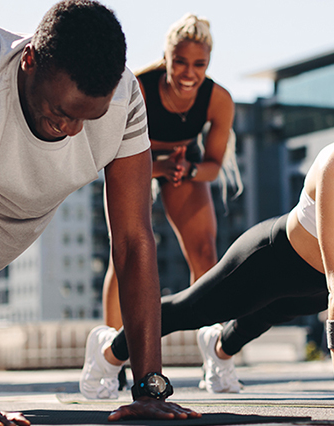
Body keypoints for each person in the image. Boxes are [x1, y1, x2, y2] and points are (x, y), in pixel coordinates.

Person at [80, 87, 334, 402]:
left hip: (316, 291)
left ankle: (218, 348)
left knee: (259, 321)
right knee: (193, 309)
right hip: (271, 260)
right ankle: (108, 351)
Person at [0, 0, 198, 426]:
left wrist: (150, 389)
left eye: (86, 117)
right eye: (61, 112)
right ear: (30, 60)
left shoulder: (124, 99)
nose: (73, 130)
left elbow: (134, 241)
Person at [100, 13, 240, 391]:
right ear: (166, 57)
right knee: (125, 254)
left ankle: (215, 357)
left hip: (183, 165)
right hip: (133, 160)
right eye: (179, 61)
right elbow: (110, 153)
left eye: (199, 64)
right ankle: (110, 359)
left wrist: (186, 171)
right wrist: (159, 164)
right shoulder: (138, 89)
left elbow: (212, 166)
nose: (188, 72)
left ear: (208, 63)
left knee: (206, 253)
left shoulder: (218, 100)